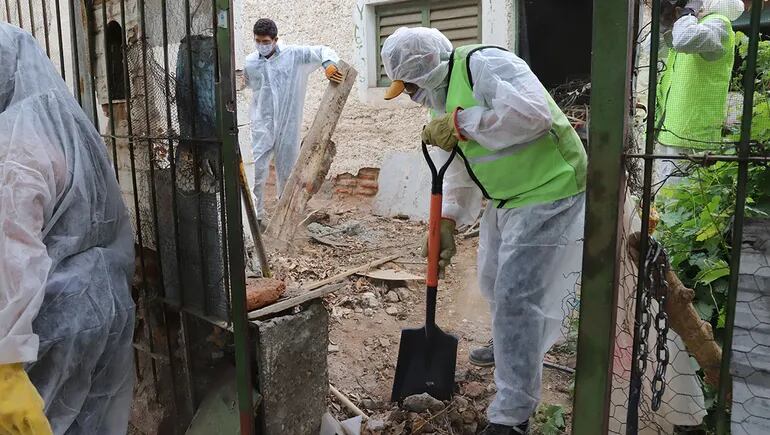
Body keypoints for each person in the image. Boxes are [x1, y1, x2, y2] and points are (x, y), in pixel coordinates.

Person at [381, 27, 587, 434]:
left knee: (516, 296)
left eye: (410, 87)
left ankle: (513, 415)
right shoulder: (440, 99)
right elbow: (458, 169)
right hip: (507, 196)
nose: (410, 96)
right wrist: (447, 221)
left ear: (426, 68)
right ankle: (510, 342)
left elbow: (533, 115)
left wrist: (462, 123)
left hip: (550, 186)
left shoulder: (485, 64)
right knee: (493, 282)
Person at [0, 23, 135, 435]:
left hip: (49, 323)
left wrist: (5, 366)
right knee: (99, 421)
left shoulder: (13, 145)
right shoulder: (70, 122)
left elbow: (11, 255)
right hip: (107, 303)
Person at [244, 18, 343, 228]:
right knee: (257, 172)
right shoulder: (250, 63)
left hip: (288, 126)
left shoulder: (294, 55)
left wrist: (328, 65)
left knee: (288, 173)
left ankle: (285, 218)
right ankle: (257, 217)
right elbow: (242, 84)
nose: (262, 45)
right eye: (258, 41)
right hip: (262, 125)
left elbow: (322, 50)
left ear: (275, 39)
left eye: (265, 41)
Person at [655, 0, 744, 182]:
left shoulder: (718, 24)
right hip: (672, 132)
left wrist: (687, 13)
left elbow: (682, 40)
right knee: (664, 203)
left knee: (677, 205)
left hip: (692, 139)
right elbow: (655, 47)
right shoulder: (695, 25)